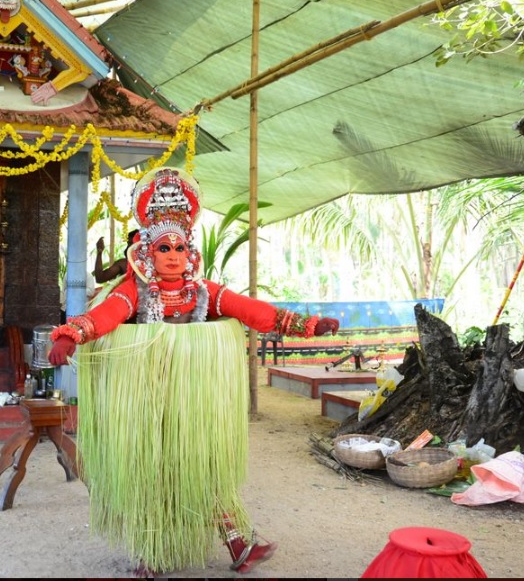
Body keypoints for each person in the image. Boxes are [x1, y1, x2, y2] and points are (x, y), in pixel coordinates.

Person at [49, 167, 339, 575]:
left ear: (191, 254)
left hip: (193, 399)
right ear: (147, 254)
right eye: (163, 248)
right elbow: (106, 315)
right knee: (153, 472)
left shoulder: (204, 292)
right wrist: (72, 335)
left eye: (179, 248)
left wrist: (306, 325)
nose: (172, 255)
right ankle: (150, 555)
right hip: (148, 401)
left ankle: (238, 543)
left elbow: (249, 309)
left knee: (203, 466)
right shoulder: (134, 291)